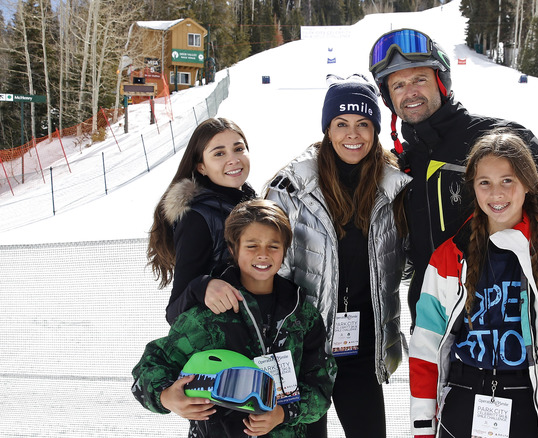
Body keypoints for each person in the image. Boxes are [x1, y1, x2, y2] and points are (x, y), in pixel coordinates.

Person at [368, 28, 538, 343]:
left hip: (509, 332)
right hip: (436, 332)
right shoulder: (401, 164)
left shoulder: (495, 140)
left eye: (419, 79)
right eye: (398, 84)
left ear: (441, 81)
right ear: (388, 97)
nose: (409, 91)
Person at [408, 129, 538, 438]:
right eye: (485, 182)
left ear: (528, 184)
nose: (496, 194)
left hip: (532, 404)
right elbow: (425, 348)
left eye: (507, 180)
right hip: (462, 401)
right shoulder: (448, 256)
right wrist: (423, 425)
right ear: (473, 187)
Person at [265, 74, 410, 438]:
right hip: (305, 343)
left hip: (363, 340)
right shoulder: (292, 186)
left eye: (363, 124)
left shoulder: (393, 185)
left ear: (375, 130)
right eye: (341, 124)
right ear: (327, 129)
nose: (353, 134)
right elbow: (265, 265)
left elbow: (405, 262)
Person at [132, 199, 337, 437]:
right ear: (233, 249)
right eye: (252, 246)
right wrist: (166, 397)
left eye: (273, 246)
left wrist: (283, 413)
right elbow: (150, 366)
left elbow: (322, 384)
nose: (263, 255)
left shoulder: (302, 314)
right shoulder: (209, 314)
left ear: (285, 250)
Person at [147, 117, 256, 325]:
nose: (233, 159)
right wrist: (203, 286)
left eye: (239, 149)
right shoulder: (197, 218)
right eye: (219, 154)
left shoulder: (250, 202)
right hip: (222, 345)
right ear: (201, 167)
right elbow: (175, 312)